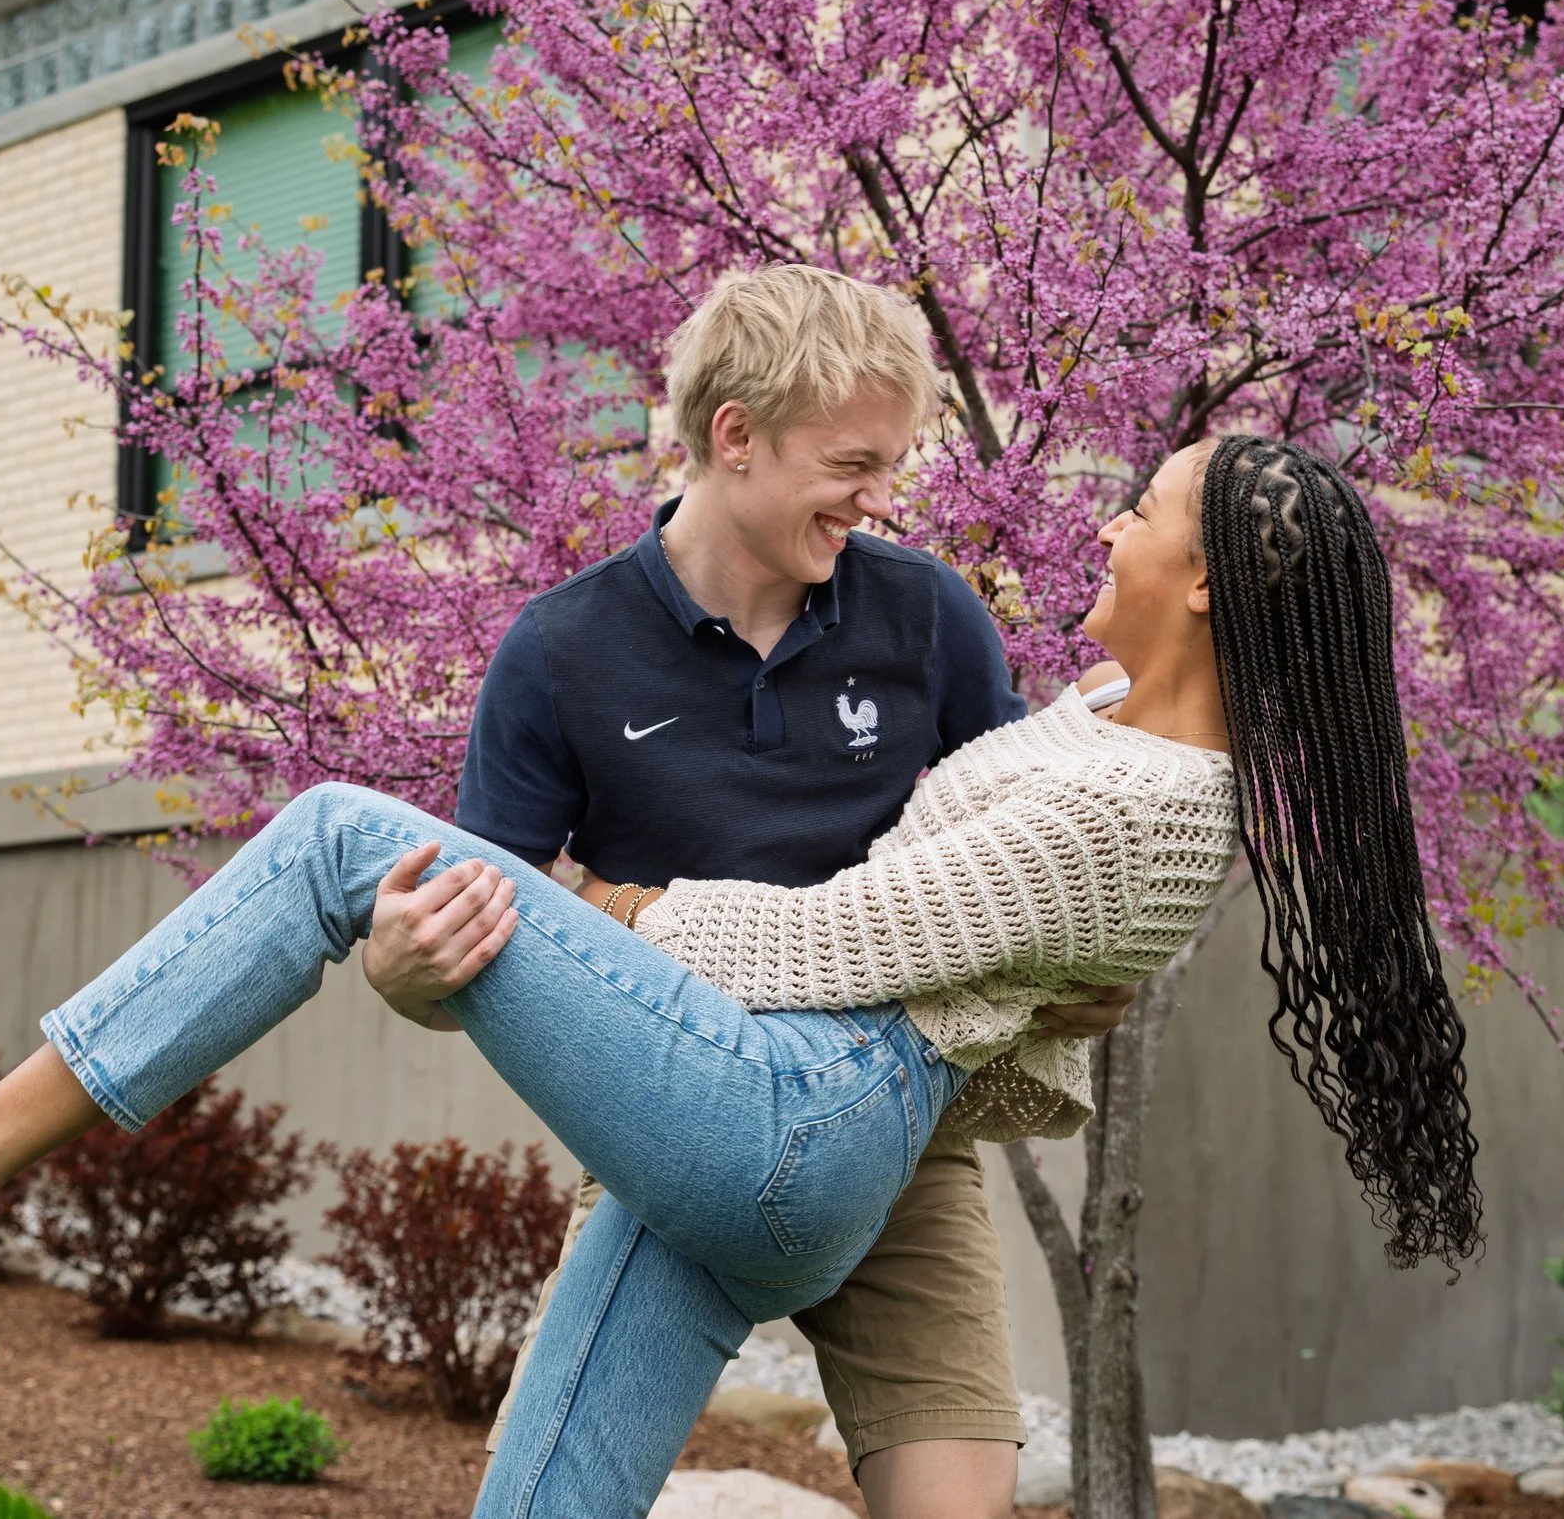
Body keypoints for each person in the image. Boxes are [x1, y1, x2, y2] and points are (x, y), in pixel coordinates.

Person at [0, 431, 1483, 1519]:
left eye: (1144, 507)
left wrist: (595, 896)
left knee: (328, 834)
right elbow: (991, 931)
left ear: (1201, 583)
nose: (1103, 521)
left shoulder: (1147, 804)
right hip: (771, 1130)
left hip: (804, 1114)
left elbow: (829, 944)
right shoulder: (1116, 728)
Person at [443, 266, 1124, 1519]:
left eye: (891, 464)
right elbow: (485, 928)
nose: (880, 497)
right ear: (735, 436)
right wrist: (409, 971)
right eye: (853, 462)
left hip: (902, 1128)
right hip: (672, 1132)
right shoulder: (558, 650)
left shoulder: (926, 616)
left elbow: (1035, 846)